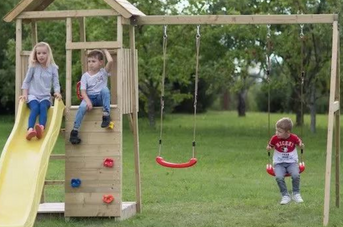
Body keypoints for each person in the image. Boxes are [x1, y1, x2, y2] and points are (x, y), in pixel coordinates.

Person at [69, 49, 113, 145]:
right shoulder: (85, 76)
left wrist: (104, 49)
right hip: (90, 97)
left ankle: (106, 116)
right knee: (82, 107)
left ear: (101, 63)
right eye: (89, 61)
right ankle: (74, 132)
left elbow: (110, 61)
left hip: (100, 97)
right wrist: (88, 101)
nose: (91, 64)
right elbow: (83, 92)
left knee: (105, 90)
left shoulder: (103, 72)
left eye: (93, 61)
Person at [20, 42, 62, 141]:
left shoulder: (53, 68)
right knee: (35, 108)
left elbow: (56, 82)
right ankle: (30, 130)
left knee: (43, 107)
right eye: (38, 53)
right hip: (33, 96)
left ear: (48, 54)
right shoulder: (33, 66)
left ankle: (41, 128)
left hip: (45, 97)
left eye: (44, 53)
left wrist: (57, 92)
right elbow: (26, 81)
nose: (41, 55)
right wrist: (25, 95)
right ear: (35, 54)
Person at [266, 117, 305, 205]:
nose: (277, 133)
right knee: (279, 177)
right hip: (279, 163)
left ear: (288, 132)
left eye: (280, 132)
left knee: (296, 175)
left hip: (292, 162)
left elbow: (300, 144)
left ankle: (296, 194)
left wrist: (301, 145)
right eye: (276, 131)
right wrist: (268, 148)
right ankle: (285, 196)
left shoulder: (294, 138)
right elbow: (270, 146)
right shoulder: (275, 138)